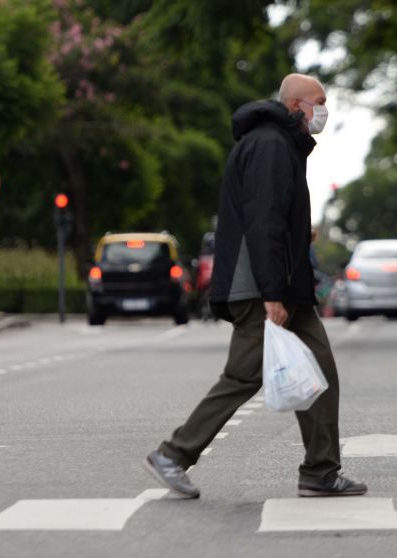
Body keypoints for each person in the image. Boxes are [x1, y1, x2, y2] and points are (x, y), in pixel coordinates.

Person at [143, 74, 366, 499]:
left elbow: (274, 218)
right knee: (243, 375)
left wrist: (301, 238)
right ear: (296, 104)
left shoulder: (280, 144)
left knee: (319, 374)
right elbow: (263, 222)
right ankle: (173, 454)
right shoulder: (269, 145)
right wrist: (271, 294)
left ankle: (320, 471)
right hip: (261, 287)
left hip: (281, 283)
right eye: (318, 103)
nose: (323, 112)